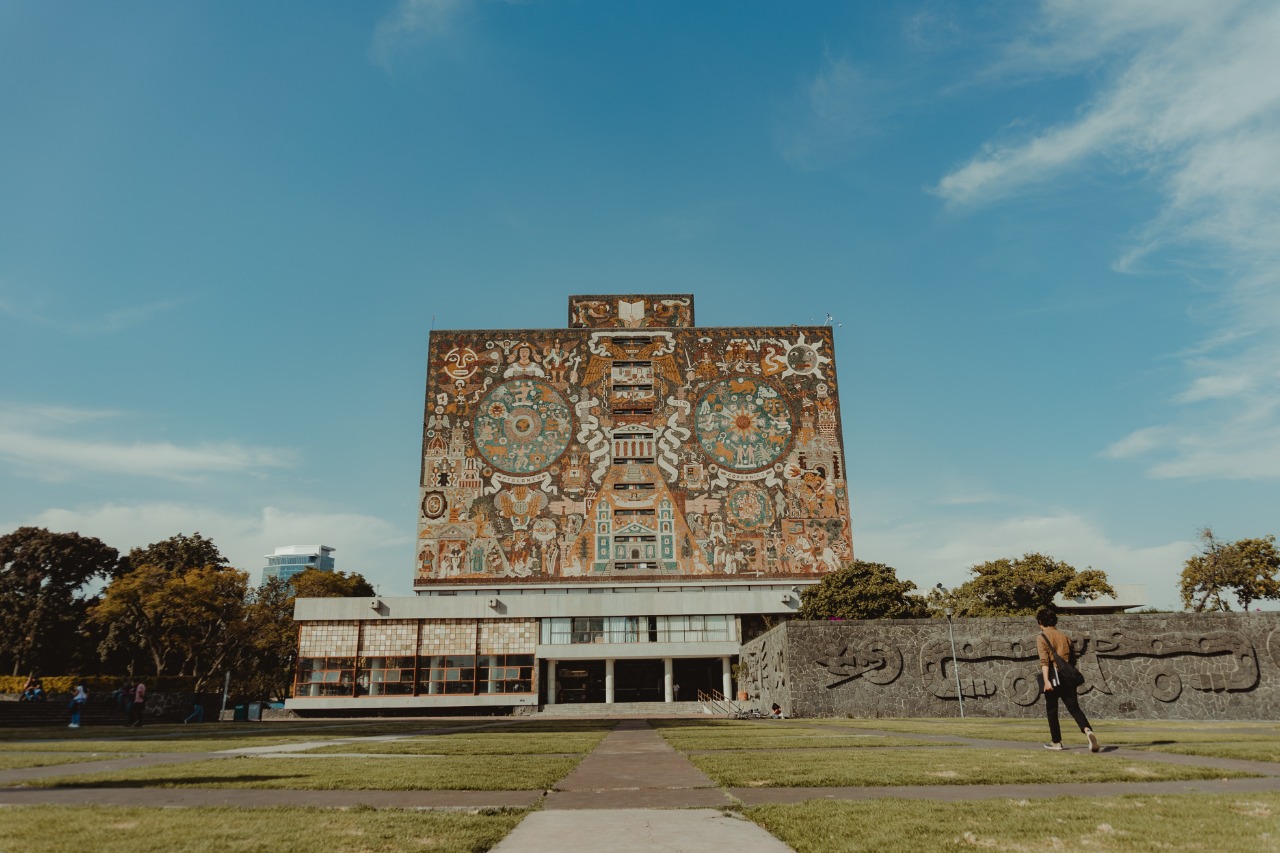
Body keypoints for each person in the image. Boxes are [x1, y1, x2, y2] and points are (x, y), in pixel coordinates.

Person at [1036, 608, 1100, 752]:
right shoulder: (1065, 637)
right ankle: (1087, 730)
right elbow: (1072, 659)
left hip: (1054, 677)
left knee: (1052, 710)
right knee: (1074, 708)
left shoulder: (1042, 637)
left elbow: (1044, 661)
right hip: (1068, 677)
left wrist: (1046, 681)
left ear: (1040, 622)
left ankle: (1056, 742)